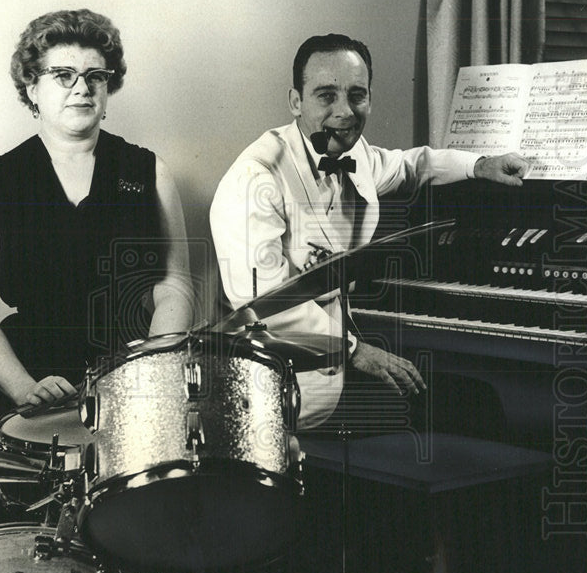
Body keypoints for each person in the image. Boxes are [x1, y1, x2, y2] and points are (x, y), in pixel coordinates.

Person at [210, 33, 529, 431]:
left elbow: (412, 165)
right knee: (471, 405)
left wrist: (480, 165)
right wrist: (357, 351)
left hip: (332, 362)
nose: (344, 111)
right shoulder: (254, 178)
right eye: (326, 95)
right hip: (276, 385)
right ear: (295, 101)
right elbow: (263, 308)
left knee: (472, 397)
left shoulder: (351, 152)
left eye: (357, 95)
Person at [0, 9, 193, 479]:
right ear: (31, 89)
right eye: (63, 75)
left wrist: (146, 369)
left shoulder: (147, 171)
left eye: (94, 76)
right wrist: (24, 388)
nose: (81, 88)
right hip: (19, 375)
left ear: (108, 88)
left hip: (126, 369)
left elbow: (174, 284)